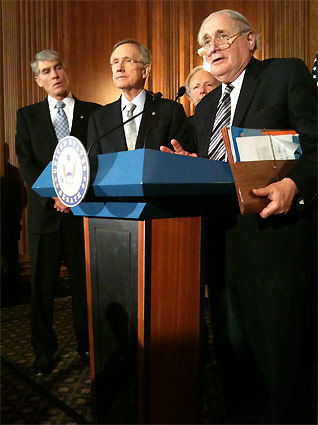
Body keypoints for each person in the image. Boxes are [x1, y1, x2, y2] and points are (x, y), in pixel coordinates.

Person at [161, 9, 317, 424]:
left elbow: (317, 145)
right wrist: (188, 165)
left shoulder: (285, 75)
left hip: (276, 245)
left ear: (251, 40)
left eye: (221, 36)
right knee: (234, 359)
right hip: (221, 248)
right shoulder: (207, 105)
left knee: (282, 362)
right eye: (205, 40)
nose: (211, 46)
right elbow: (217, 170)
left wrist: (295, 185)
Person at [15, 49, 101, 375]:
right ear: (38, 80)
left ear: (66, 71)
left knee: (85, 286)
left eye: (58, 67)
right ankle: (43, 349)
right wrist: (55, 196)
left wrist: (75, 196)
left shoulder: (94, 113)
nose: (54, 75)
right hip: (46, 215)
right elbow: (27, 163)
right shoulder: (28, 116)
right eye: (46, 71)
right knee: (42, 287)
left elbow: (96, 160)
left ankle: (88, 345)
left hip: (84, 214)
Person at [87, 39, 190, 154]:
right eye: (115, 62)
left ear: (145, 70)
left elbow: (181, 157)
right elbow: (95, 166)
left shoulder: (170, 112)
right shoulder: (99, 118)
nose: (119, 68)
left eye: (127, 60)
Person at [185, 66, 220, 142]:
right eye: (196, 87)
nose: (202, 90)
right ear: (189, 98)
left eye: (209, 85)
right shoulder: (184, 127)